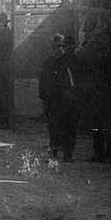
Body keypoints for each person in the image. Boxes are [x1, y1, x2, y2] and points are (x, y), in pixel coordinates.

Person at [39, 34, 83, 162]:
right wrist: (43, 97)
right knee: (54, 127)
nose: (58, 49)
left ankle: (68, 154)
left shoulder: (71, 60)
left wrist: (75, 94)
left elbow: (77, 79)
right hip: (54, 100)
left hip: (69, 99)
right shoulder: (49, 61)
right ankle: (54, 152)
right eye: (55, 46)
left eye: (60, 46)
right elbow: (44, 81)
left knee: (69, 127)